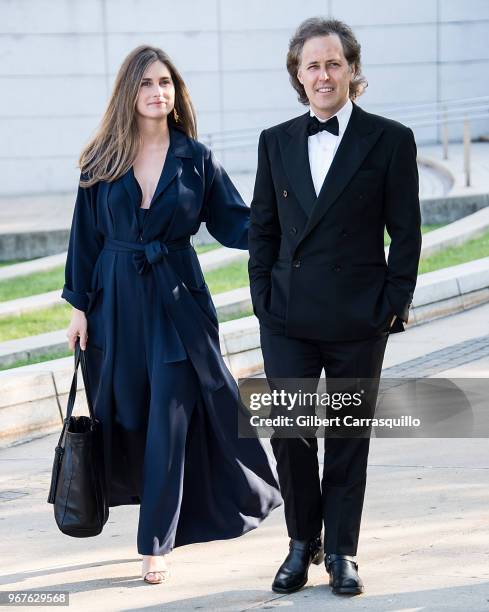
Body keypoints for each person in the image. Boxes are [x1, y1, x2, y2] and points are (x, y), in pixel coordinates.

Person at [62, 45, 281, 585]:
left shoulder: (196, 159)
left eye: (166, 82)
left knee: (170, 419)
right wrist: (77, 308)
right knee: (128, 414)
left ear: (177, 92)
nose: (158, 91)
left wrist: (291, 219)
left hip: (179, 300)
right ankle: (147, 514)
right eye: (147, 83)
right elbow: (84, 239)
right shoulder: (100, 159)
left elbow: (236, 224)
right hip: (114, 304)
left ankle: (155, 543)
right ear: (128, 93)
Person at [248, 18, 421, 596]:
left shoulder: (391, 139)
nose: (323, 74)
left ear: (352, 69)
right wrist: (263, 303)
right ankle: (302, 543)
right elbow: (263, 232)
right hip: (288, 314)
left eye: (333, 63)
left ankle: (342, 550)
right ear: (298, 75)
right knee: (292, 433)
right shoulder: (274, 141)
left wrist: (393, 304)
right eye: (312, 65)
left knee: (348, 434)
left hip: (358, 315)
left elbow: (408, 232)